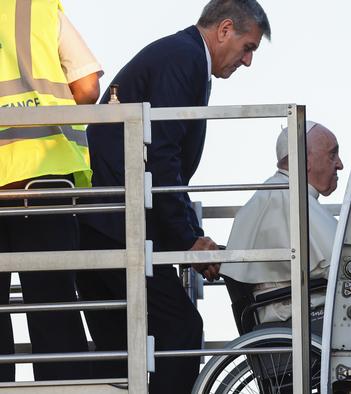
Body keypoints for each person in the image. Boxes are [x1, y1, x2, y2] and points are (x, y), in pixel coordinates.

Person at [75, 1, 270, 392]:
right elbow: (162, 156)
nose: (247, 61)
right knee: (180, 327)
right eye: (248, 47)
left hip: (108, 218)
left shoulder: (181, 55)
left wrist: (189, 234)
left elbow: (161, 161)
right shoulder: (184, 59)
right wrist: (187, 238)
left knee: (122, 352)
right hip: (117, 222)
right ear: (225, 29)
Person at [0, 0, 102, 382]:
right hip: (44, 178)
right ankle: (63, 389)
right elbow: (87, 87)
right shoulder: (37, 8)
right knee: (53, 304)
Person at [221, 121, 343, 333]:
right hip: (295, 315)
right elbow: (341, 265)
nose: (339, 164)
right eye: (332, 155)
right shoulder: (287, 198)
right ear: (304, 160)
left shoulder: (280, 192)